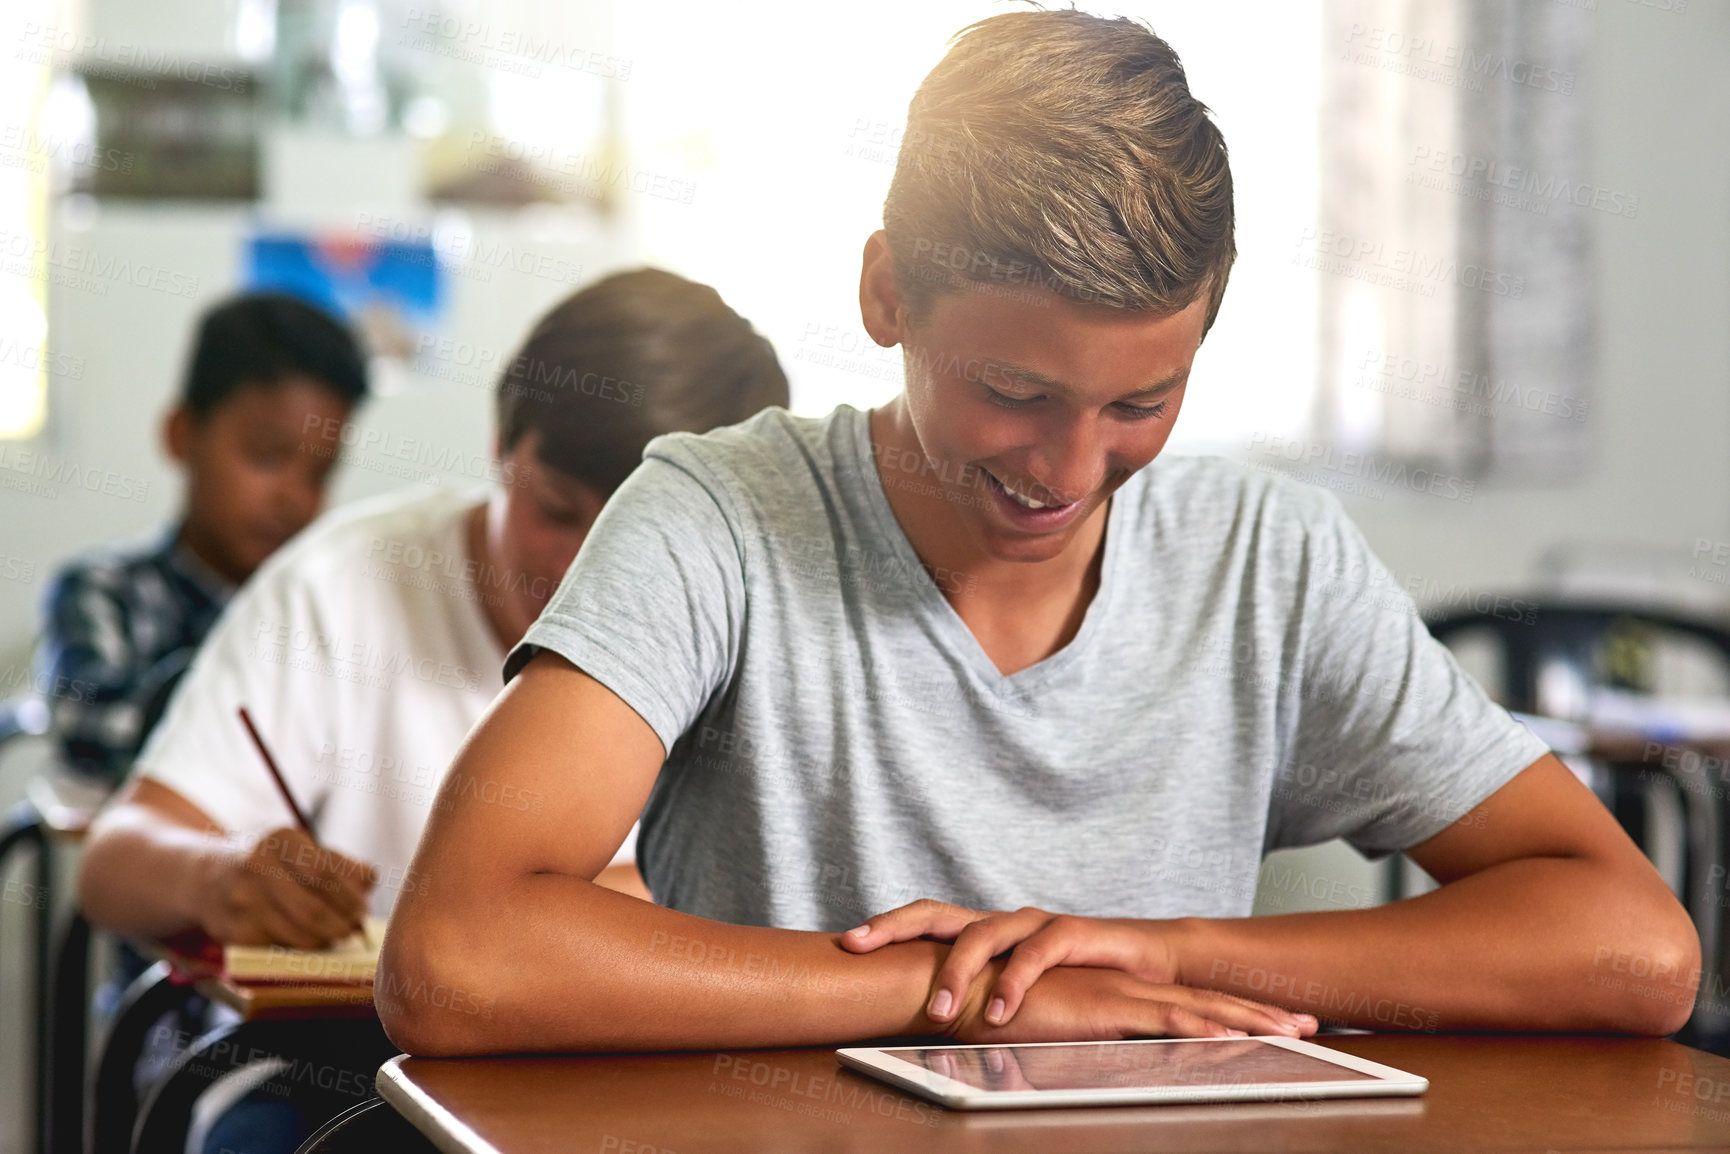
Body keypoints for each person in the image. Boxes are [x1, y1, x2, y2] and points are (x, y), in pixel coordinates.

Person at [380, 10, 1698, 1059]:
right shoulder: (718, 519)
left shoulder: (1268, 560)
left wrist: (1151, 953)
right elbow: (457, 955)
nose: (1069, 471)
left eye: (1141, 401)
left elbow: (1635, 949)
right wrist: (957, 994)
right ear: (886, 289)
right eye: (1012, 394)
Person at [75, 268, 789, 1149]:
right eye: (557, 513)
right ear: (501, 444)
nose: (587, 576)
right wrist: (218, 878)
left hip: (661, 1087)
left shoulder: (763, 627)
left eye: (651, 552)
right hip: (346, 1078)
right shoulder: (342, 583)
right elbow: (112, 862)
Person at [34, 292, 368, 787]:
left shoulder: (331, 611)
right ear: (181, 435)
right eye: (267, 456)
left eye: (320, 474)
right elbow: (87, 727)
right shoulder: (104, 591)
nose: (294, 498)